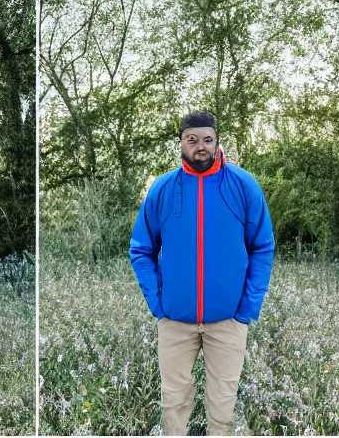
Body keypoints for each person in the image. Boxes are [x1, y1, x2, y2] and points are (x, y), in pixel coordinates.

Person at [129, 111, 275, 436]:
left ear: (217, 141)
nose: (200, 147)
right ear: (180, 142)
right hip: (175, 323)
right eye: (192, 139)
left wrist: (246, 311)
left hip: (227, 323)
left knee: (222, 409)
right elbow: (140, 248)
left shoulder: (243, 186)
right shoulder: (163, 189)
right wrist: (159, 305)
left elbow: (262, 247)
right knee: (173, 406)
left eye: (207, 140)